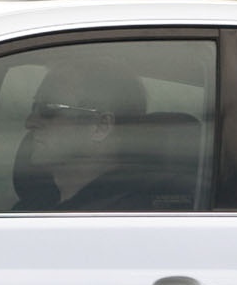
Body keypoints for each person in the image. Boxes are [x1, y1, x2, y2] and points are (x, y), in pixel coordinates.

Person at [13, 58, 201, 211]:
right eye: (34, 107)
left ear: (101, 126)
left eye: (48, 110)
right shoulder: (34, 209)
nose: (29, 122)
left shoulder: (127, 218)